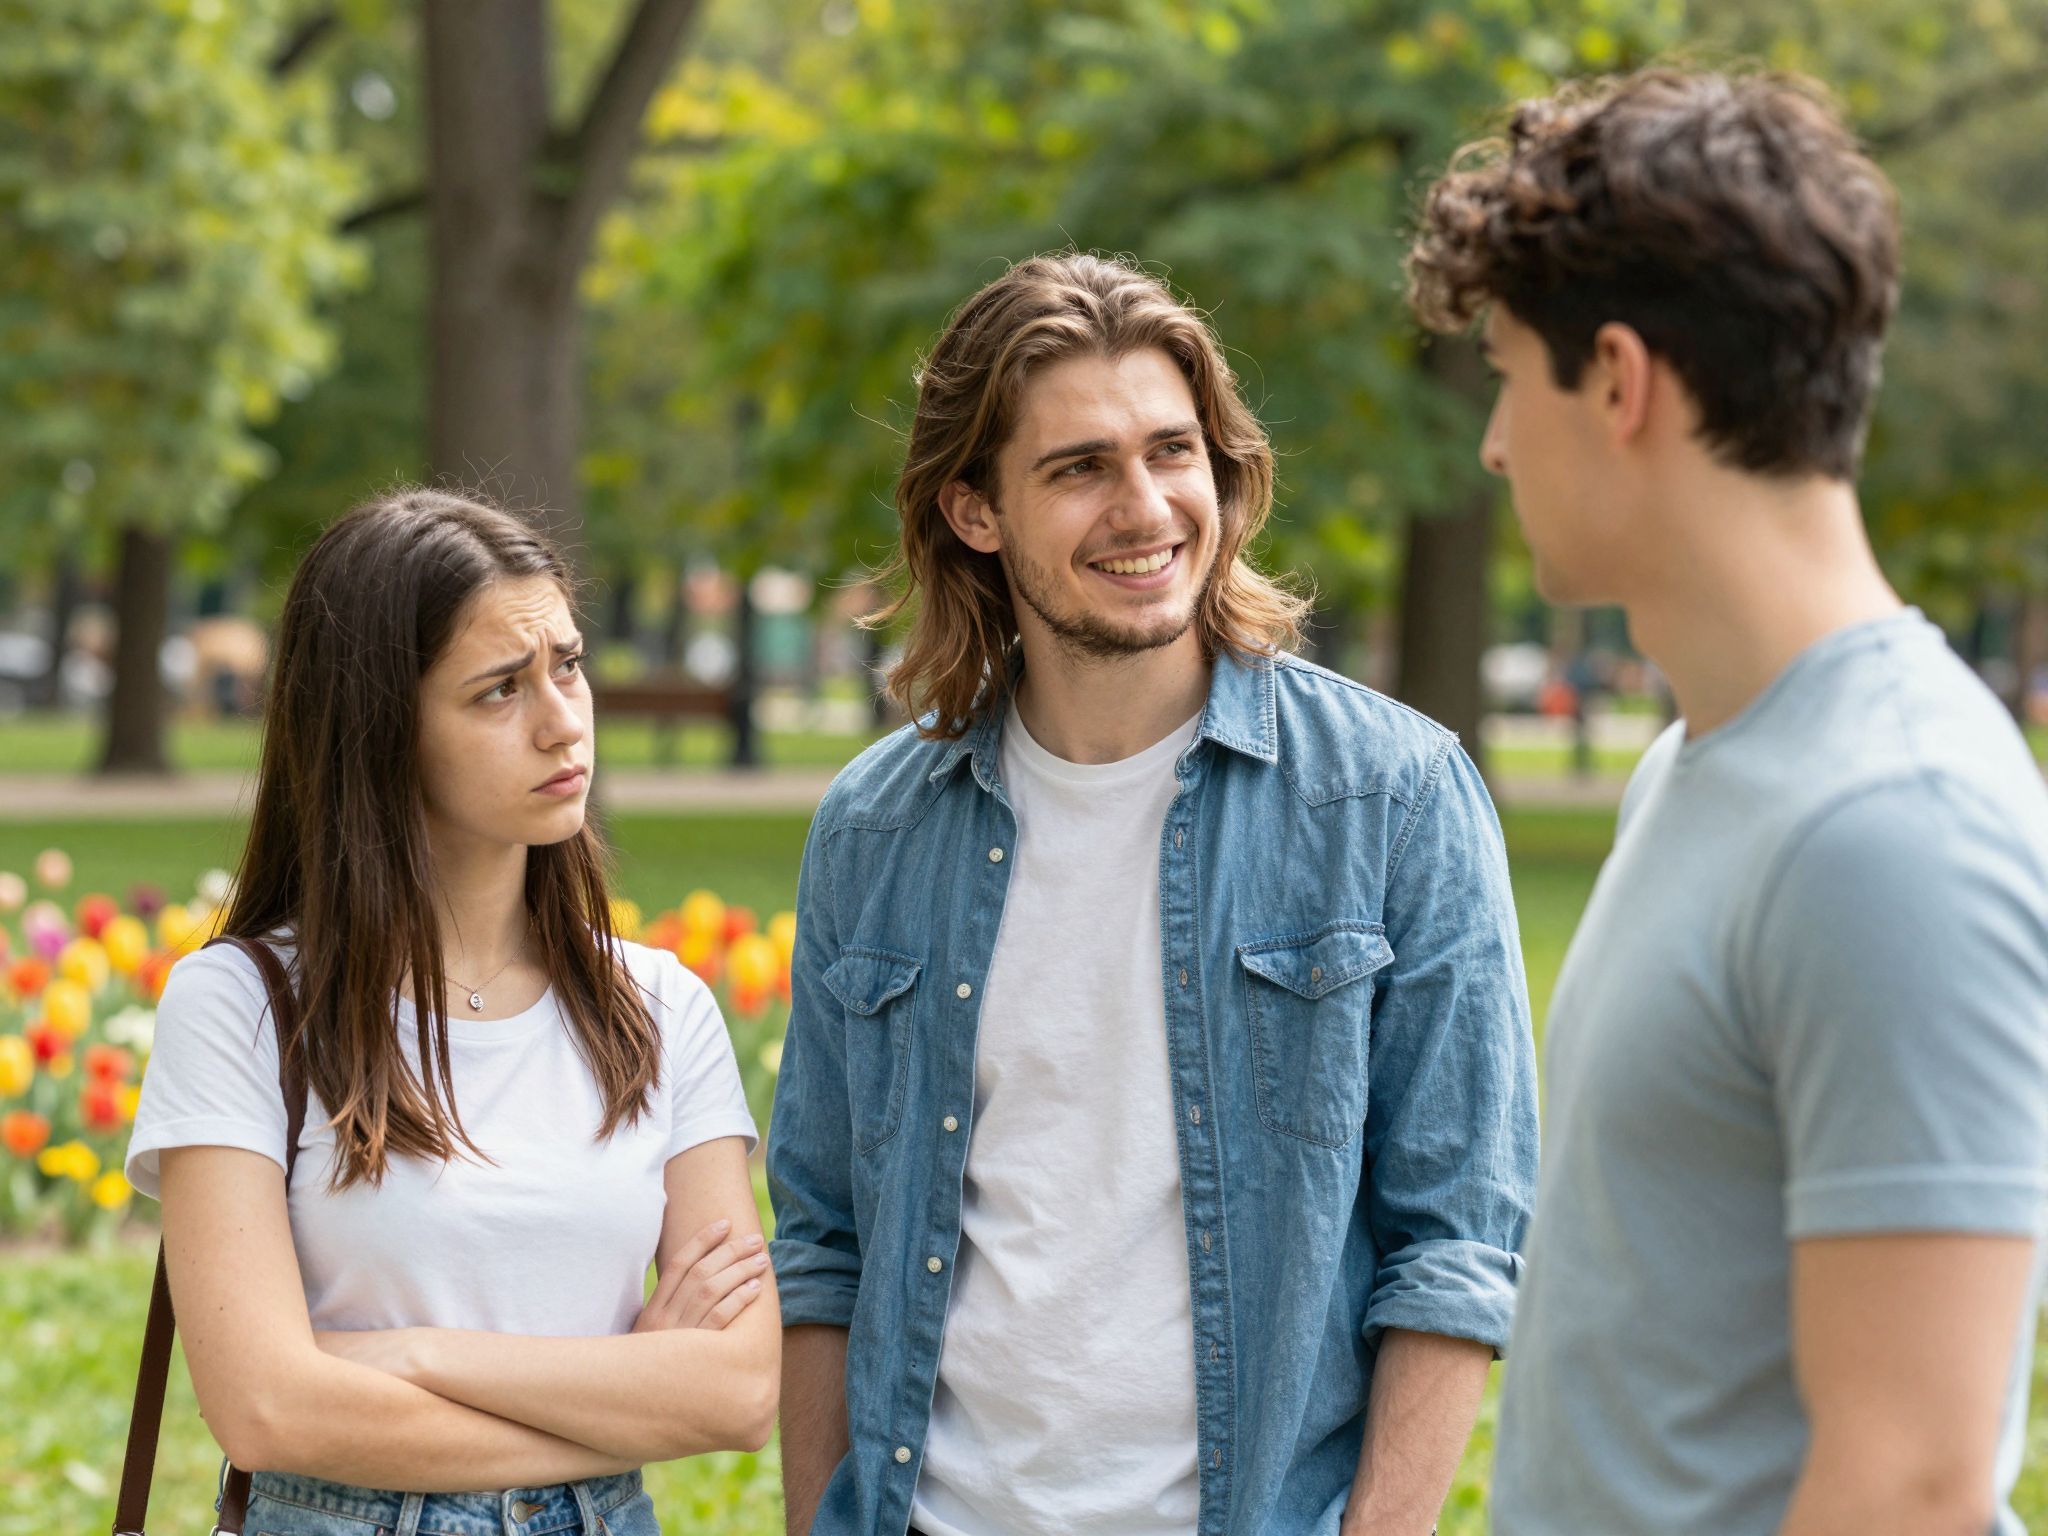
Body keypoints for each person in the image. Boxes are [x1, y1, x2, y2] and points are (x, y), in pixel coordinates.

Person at [769, 252, 1539, 1536]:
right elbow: (825, 1245)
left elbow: (1454, 1245)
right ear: (974, 510)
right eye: (1078, 469)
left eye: (1172, 453)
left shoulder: (1392, 799)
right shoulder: (874, 829)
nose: (1146, 507)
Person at [1405, 67, 2048, 1535]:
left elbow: (1915, 1488)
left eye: (1507, 372)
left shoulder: (1894, 826)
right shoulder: (1696, 765)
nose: (1496, 445)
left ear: (1620, 382)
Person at [127, 490, 778, 1535]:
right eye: (497, 692)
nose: (563, 720)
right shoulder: (243, 1007)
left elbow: (740, 1393)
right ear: (379, 727)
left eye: (566, 665)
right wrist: (632, 1390)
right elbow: (263, 1407)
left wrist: (411, 1355)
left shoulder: (660, 1009)